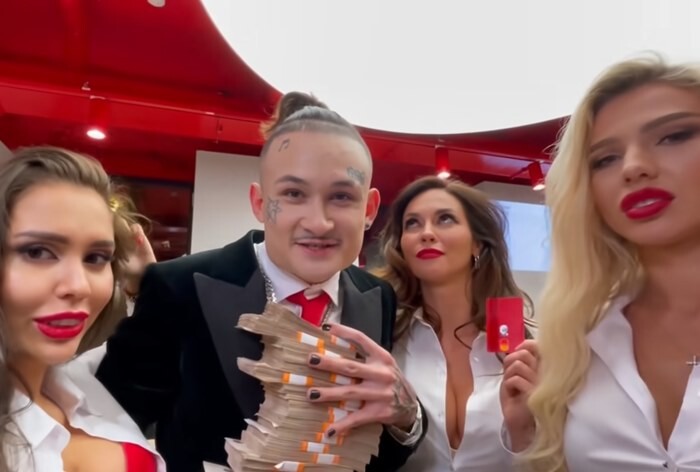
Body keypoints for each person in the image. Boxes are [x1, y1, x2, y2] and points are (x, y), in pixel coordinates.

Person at [96, 92, 428, 471]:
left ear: (368, 209)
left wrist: (407, 417)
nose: (319, 222)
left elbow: (373, 447)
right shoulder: (180, 286)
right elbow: (108, 421)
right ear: (259, 202)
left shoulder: (376, 296)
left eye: (341, 196)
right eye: (293, 194)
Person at [501, 55, 700, 471]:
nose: (634, 167)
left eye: (674, 135)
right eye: (604, 159)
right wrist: (528, 435)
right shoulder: (575, 342)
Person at [0, 147, 164, 472]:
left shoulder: (78, 384)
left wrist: (145, 286)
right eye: (37, 252)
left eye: (95, 258)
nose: (80, 286)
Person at [375, 176, 534, 471]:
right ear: (402, 246)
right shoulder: (384, 339)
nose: (426, 233)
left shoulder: (525, 343)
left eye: (445, 219)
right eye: (412, 223)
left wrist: (525, 431)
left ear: (477, 243)